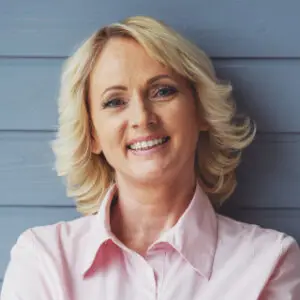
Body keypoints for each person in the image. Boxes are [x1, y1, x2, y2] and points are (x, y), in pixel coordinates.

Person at [1, 15, 300, 300]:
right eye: (115, 101)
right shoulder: (43, 259)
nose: (142, 118)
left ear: (201, 111)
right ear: (92, 134)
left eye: (162, 91)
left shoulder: (270, 262)